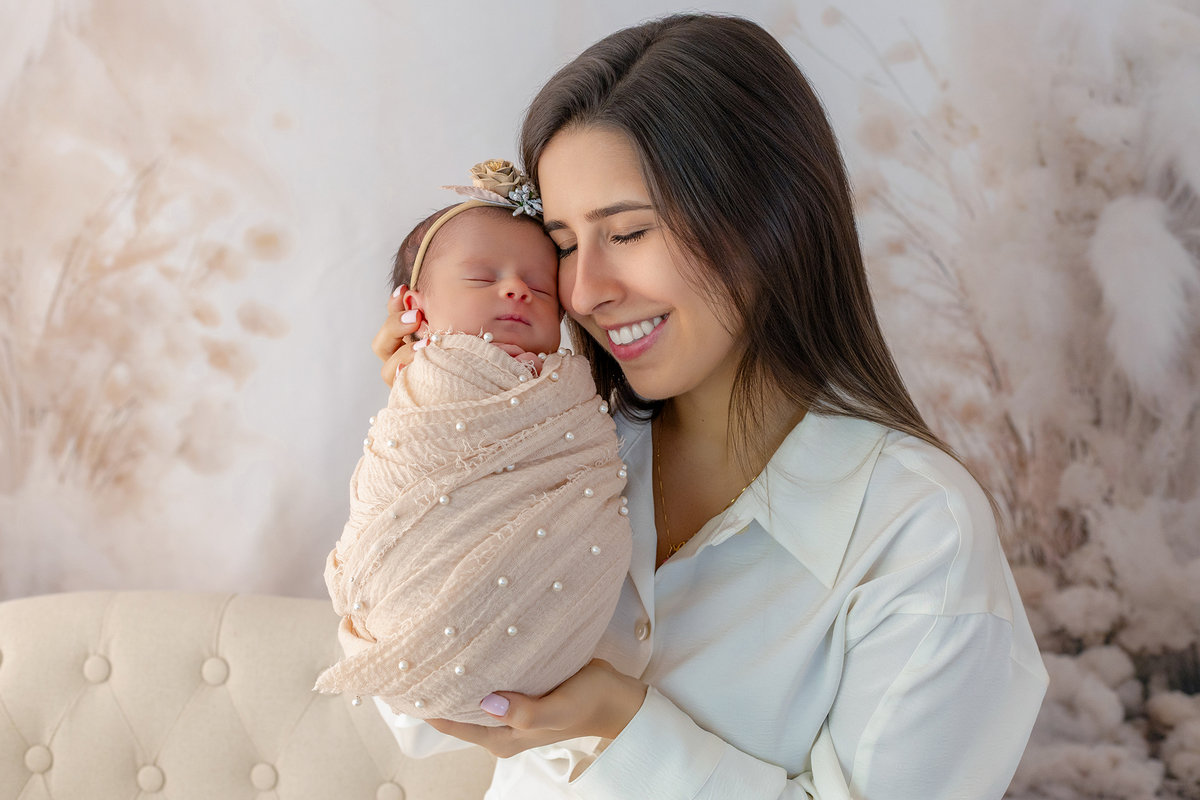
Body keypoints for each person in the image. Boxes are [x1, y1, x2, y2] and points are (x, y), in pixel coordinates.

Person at [370, 13, 1047, 800]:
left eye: (627, 231)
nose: (584, 289)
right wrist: (434, 437)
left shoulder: (920, 535)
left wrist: (626, 725)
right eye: (562, 241)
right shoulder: (569, 449)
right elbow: (416, 716)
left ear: (769, 217)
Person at [318, 162, 632, 726]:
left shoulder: (569, 393)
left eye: (539, 287)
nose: (517, 289)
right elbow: (411, 468)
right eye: (482, 278)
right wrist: (432, 392)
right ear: (414, 308)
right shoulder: (426, 382)